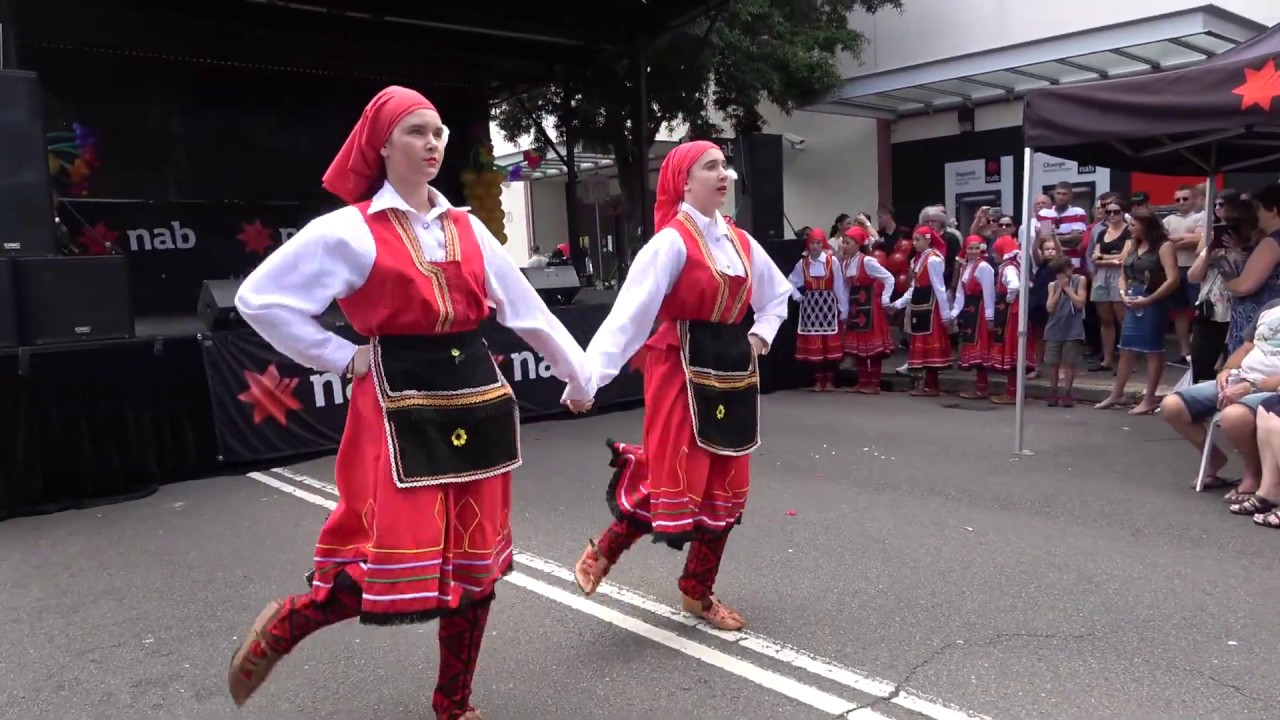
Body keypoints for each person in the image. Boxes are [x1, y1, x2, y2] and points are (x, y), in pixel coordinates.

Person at [225, 86, 595, 720]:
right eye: (417, 132)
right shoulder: (348, 230)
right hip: (397, 408)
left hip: (474, 401)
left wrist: (577, 375)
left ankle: (454, 704)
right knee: (388, 555)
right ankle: (287, 624)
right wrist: (342, 356)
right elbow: (258, 299)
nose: (432, 144)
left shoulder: (468, 228)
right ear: (383, 144)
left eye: (438, 133)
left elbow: (525, 310)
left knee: (477, 566)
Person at [567, 140, 791, 631]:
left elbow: (777, 299)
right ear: (683, 183)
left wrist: (759, 337)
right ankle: (605, 550)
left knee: (725, 485)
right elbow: (627, 321)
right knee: (676, 479)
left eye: (725, 166)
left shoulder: (742, 242)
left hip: (732, 376)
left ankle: (697, 591)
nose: (724, 174)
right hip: (679, 373)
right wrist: (586, 380)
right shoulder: (670, 243)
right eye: (710, 166)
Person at [889, 226, 954, 396]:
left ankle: (931, 385)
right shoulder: (919, 260)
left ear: (928, 240)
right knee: (923, 346)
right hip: (920, 306)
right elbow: (913, 288)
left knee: (929, 347)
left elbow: (939, 288)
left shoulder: (933, 260)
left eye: (918, 240)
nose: (915, 243)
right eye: (914, 240)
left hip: (931, 309)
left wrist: (946, 314)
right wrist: (897, 304)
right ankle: (928, 384)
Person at [790, 227, 849, 391]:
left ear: (822, 244)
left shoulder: (832, 261)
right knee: (815, 345)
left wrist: (843, 307)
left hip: (828, 306)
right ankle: (818, 380)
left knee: (829, 344)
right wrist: (798, 296)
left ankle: (829, 380)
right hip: (810, 308)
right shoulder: (803, 263)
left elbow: (839, 286)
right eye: (812, 243)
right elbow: (790, 282)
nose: (815, 246)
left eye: (818, 243)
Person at [841, 224, 894, 393]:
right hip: (856, 307)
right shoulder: (846, 264)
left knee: (873, 349)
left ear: (857, 244)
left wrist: (885, 298)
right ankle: (863, 381)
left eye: (848, 242)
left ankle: (875, 384)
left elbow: (889, 278)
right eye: (843, 242)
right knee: (857, 348)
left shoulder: (868, 261)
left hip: (870, 307)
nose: (844, 246)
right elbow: (846, 289)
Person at [952, 235, 996, 399]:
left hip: (981, 311)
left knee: (981, 350)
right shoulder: (965, 268)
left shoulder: (984, 267)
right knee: (973, 348)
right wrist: (953, 314)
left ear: (982, 249)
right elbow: (959, 294)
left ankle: (982, 388)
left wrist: (990, 317)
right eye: (970, 248)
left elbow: (989, 293)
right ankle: (980, 387)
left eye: (976, 248)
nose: (973, 251)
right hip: (970, 312)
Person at [1043, 256, 1089, 406]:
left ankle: (1067, 392)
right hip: (1054, 328)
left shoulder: (1080, 280)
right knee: (1052, 362)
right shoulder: (1052, 285)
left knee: (1069, 362)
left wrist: (1068, 289)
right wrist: (1059, 290)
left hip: (1073, 328)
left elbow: (1080, 303)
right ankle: (1053, 391)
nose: (1061, 276)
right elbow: (1049, 307)